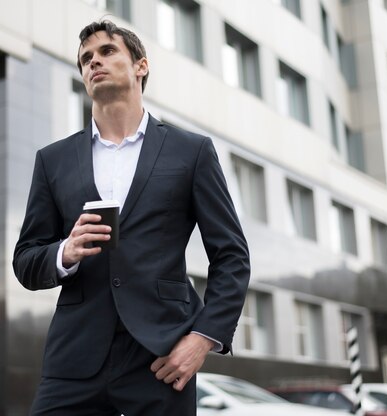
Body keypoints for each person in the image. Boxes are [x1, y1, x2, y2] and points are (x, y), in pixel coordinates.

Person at [13, 19, 250, 416]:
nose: (94, 62)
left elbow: (231, 257)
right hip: (74, 358)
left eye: (107, 52)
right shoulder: (52, 160)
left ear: (141, 65)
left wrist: (204, 337)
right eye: (85, 59)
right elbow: (25, 260)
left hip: (161, 357)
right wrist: (65, 252)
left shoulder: (190, 152)